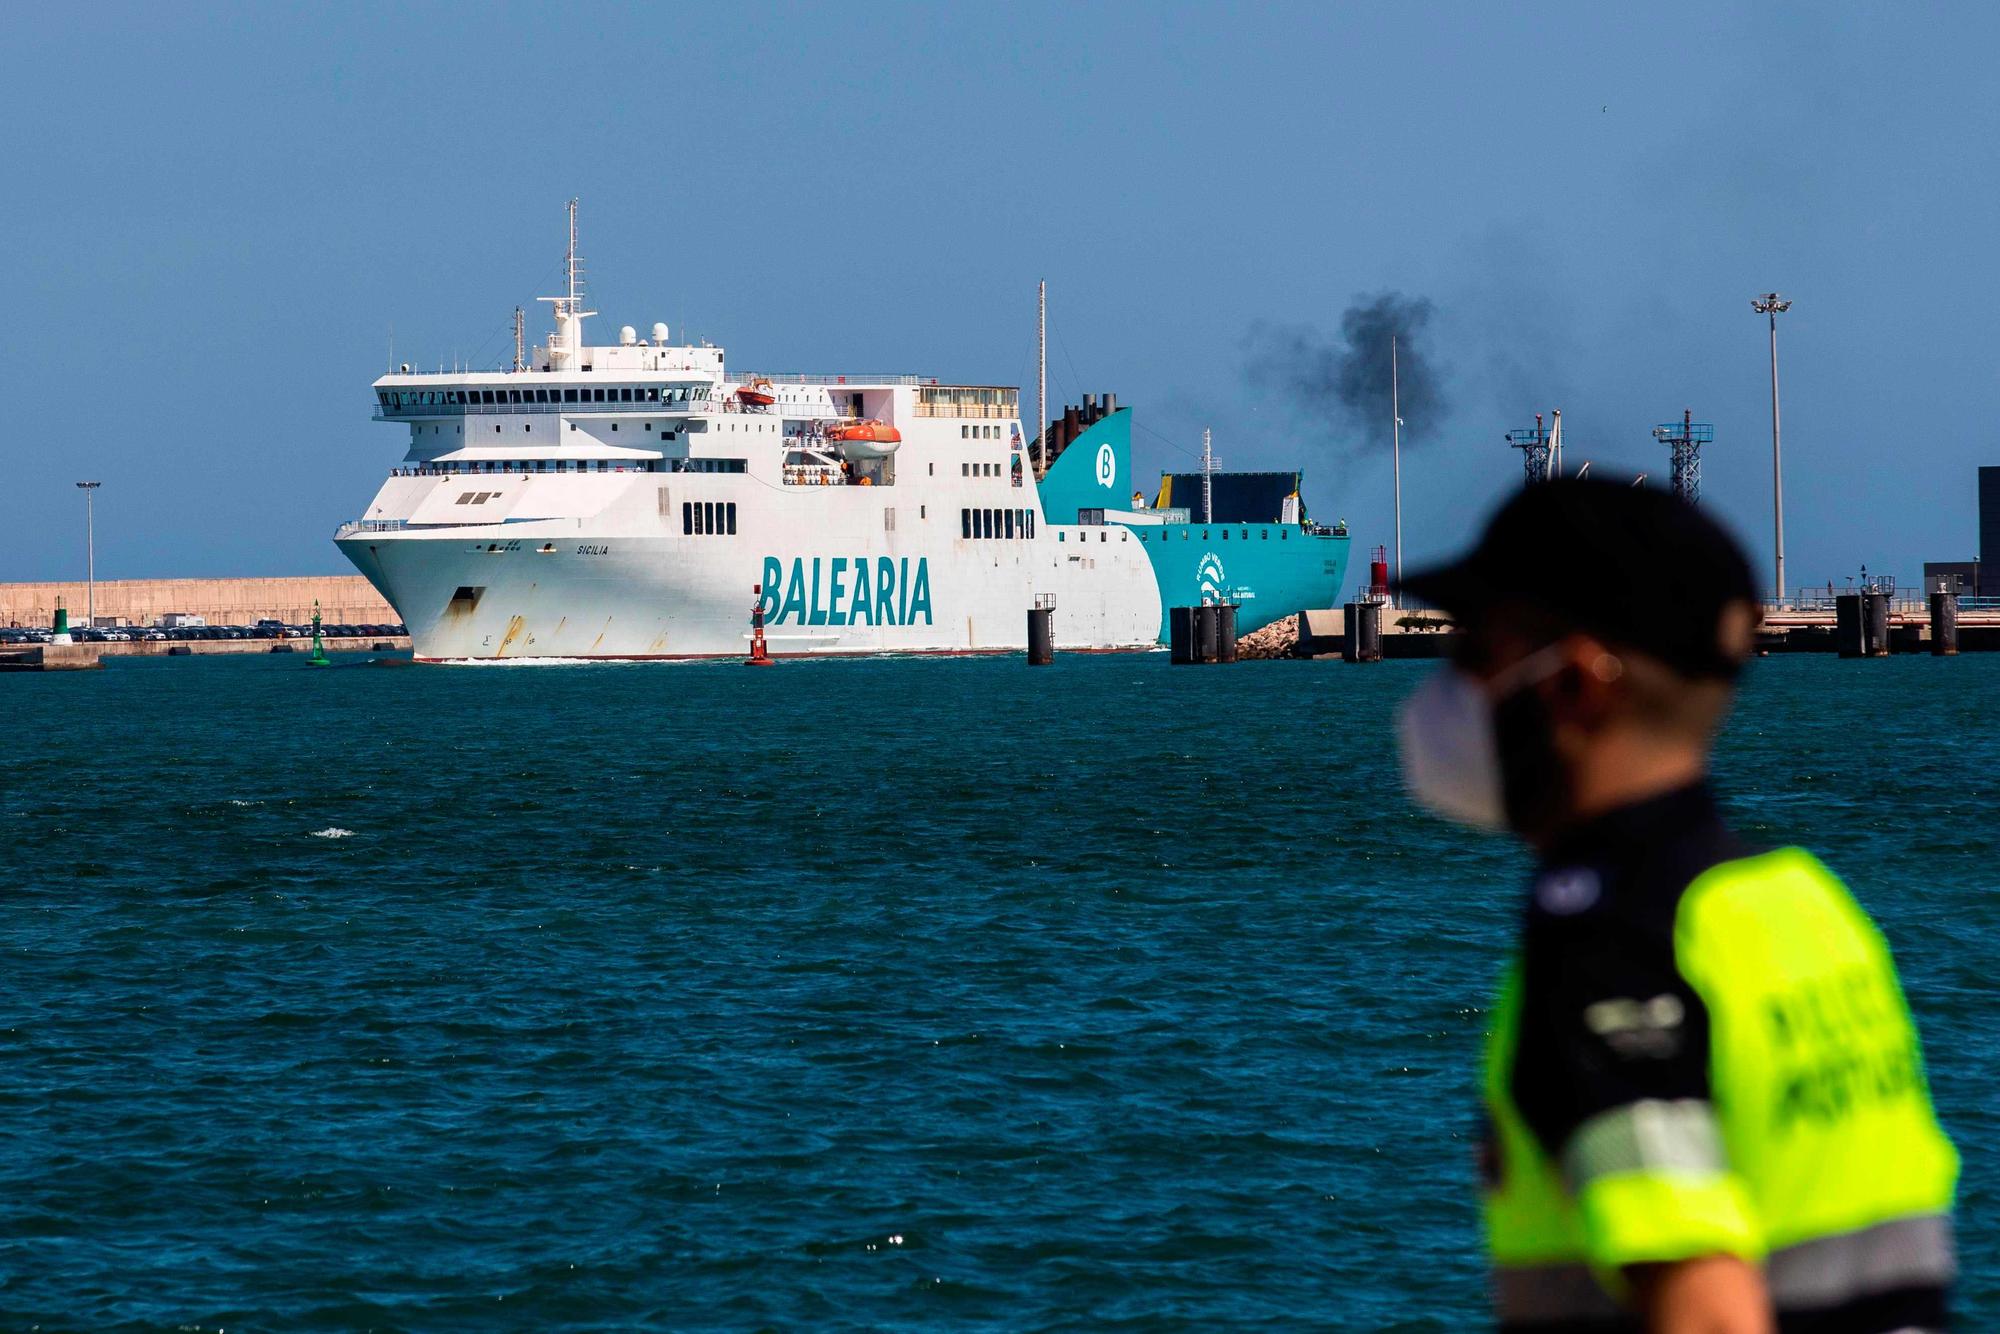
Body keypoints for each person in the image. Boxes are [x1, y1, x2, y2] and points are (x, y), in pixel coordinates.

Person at [1395, 479, 1958, 1334]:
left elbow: (1706, 1309)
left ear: (1576, 684)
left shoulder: (1612, 949)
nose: (1449, 690)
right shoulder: (1804, 904)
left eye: (1477, 652)